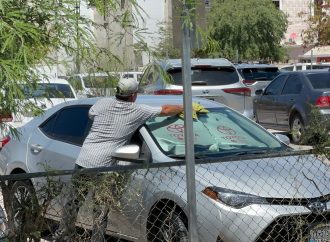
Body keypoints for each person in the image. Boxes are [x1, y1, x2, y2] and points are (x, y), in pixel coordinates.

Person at [54, 78, 183, 242]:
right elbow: (165, 110)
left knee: (73, 201)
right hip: (104, 167)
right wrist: (184, 108)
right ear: (133, 95)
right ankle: (97, 240)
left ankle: (63, 234)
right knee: (100, 208)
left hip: (84, 161)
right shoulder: (138, 111)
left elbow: (91, 114)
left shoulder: (102, 103)